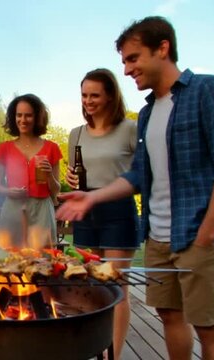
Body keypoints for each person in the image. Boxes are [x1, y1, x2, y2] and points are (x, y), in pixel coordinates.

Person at [56, 16, 214, 360]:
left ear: (162, 48)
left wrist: (207, 233)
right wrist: (91, 197)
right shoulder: (148, 114)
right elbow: (137, 176)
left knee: (208, 326)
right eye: (124, 61)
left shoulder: (212, 91)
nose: (127, 69)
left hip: (197, 234)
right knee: (169, 316)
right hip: (158, 236)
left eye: (133, 58)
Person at [65, 68, 138, 360]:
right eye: (84, 95)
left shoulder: (130, 129)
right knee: (87, 285)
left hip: (118, 209)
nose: (88, 101)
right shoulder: (76, 134)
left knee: (116, 286)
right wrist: (71, 181)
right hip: (85, 209)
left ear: (110, 96)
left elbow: (140, 174)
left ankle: (113, 355)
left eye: (95, 95)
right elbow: (77, 174)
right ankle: (89, 349)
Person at [0, 94, 62, 249]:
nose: (23, 120)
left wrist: (50, 175)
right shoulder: (4, 148)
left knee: (44, 260)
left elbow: (56, 191)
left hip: (42, 209)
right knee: (9, 258)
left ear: (37, 117)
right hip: (13, 207)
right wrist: (9, 191)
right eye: (19, 115)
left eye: (28, 115)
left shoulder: (52, 148)